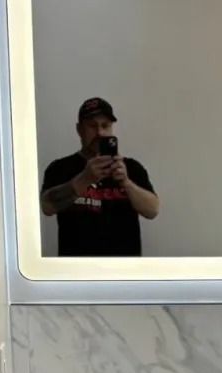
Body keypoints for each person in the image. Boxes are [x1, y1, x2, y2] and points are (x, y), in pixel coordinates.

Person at [41, 97, 159, 257]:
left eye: (105, 126)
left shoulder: (131, 168)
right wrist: (85, 179)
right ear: (79, 129)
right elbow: (47, 207)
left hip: (124, 271)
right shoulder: (60, 168)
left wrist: (126, 182)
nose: (100, 133)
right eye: (92, 126)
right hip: (76, 271)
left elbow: (152, 211)